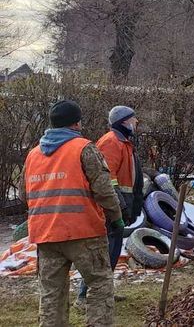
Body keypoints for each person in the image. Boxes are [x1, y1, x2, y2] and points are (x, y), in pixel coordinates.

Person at [23, 100, 123, 327]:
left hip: (45, 235)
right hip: (83, 232)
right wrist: (116, 217)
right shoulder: (84, 148)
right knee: (99, 283)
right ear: (77, 123)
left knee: (51, 294)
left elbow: (23, 194)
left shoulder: (33, 155)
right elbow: (104, 190)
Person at [77, 106, 143, 307]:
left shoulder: (123, 143)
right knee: (103, 254)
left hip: (119, 206)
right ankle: (84, 296)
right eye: (133, 119)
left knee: (111, 253)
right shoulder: (111, 142)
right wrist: (118, 207)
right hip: (110, 209)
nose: (136, 123)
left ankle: (103, 293)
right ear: (123, 122)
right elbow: (107, 179)